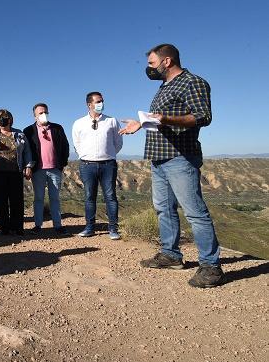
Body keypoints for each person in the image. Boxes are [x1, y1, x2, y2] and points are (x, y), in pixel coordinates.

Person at [119, 43, 224, 288]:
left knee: (195, 212)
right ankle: (171, 255)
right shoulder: (164, 87)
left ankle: (211, 266)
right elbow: (159, 122)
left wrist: (166, 118)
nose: (149, 69)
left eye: (152, 64)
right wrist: (141, 124)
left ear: (167, 61)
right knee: (163, 208)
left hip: (180, 157)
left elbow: (202, 117)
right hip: (159, 158)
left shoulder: (193, 82)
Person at [72, 92, 123, 240]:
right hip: (87, 165)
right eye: (98, 101)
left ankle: (113, 229)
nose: (101, 103)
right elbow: (77, 144)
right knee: (89, 197)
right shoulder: (79, 123)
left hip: (108, 164)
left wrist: (108, 154)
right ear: (89, 104)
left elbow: (118, 142)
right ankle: (89, 228)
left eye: (102, 101)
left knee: (111, 196)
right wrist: (86, 155)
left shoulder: (111, 121)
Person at [23, 103, 70, 235]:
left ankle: (58, 225)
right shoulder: (28, 131)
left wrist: (63, 163)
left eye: (45, 112)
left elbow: (65, 146)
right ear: (34, 116)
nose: (43, 115)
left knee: (55, 198)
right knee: (38, 198)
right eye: (40, 113)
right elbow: (26, 151)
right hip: (38, 170)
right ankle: (38, 225)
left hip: (55, 169)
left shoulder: (57, 128)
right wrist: (28, 167)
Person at [0, 109, 32, 235]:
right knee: (0, 200)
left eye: (5, 117)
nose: (2, 120)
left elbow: (27, 151)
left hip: (15, 171)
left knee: (16, 200)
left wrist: (28, 166)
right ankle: (3, 227)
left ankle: (17, 226)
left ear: (10, 119)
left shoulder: (19, 134)